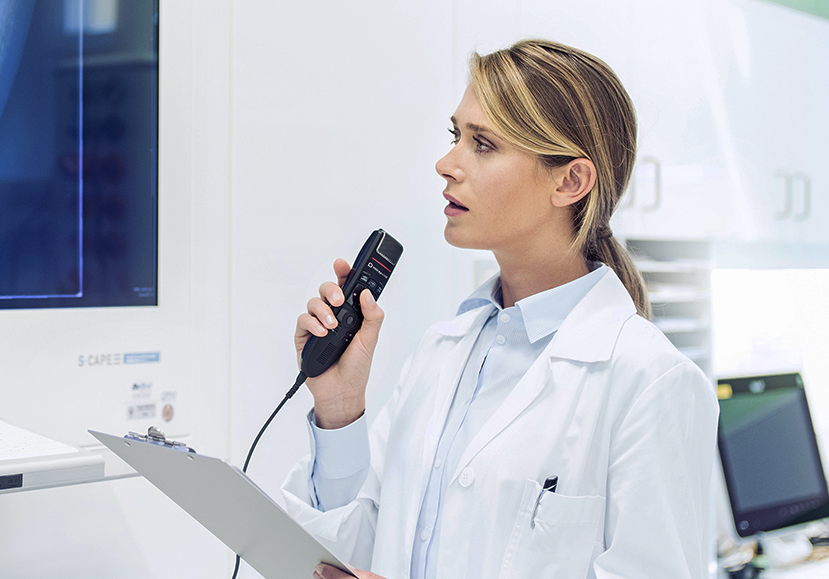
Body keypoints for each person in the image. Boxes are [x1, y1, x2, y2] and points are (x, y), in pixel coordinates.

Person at [284, 39, 719, 579]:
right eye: (455, 136)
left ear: (570, 181)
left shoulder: (651, 383)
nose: (446, 164)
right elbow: (355, 549)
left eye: (482, 144)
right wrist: (340, 409)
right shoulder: (441, 351)